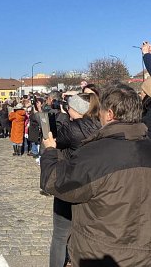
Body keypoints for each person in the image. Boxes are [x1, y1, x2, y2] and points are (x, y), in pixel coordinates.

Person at [40, 83, 151, 266]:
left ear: (109, 114)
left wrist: (50, 151)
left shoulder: (94, 153)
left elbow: (55, 181)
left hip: (100, 253)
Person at [49, 93, 101, 267]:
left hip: (70, 182)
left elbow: (55, 139)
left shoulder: (72, 128)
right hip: (94, 182)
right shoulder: (100, 125)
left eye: (70, 106)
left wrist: (63, 117)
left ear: (76, 110)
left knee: (60, 235)